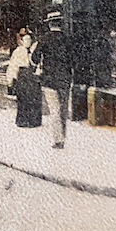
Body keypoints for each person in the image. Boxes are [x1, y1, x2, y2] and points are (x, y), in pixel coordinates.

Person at [38, 11, 74, 149]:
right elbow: (73, 59)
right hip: (65, 79)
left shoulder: (44, 39)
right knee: (64, 110)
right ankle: (63, 137)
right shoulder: (68, 39)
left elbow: (35, 58)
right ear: (60, 23)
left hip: (49, 80)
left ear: (49, 24)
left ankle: (58, 140)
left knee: (55, 110)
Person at [7, 28, 42, 128]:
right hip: (22, 76)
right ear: (22, 41)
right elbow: (13, 66)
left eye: (29, 40)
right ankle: (23, 120)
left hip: (32, 76)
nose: (28, 42)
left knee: (34, 98)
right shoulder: (18, 52)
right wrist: (11, 79)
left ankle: (34, 121)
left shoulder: (33, 51)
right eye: (26, 40)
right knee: (23, 99)